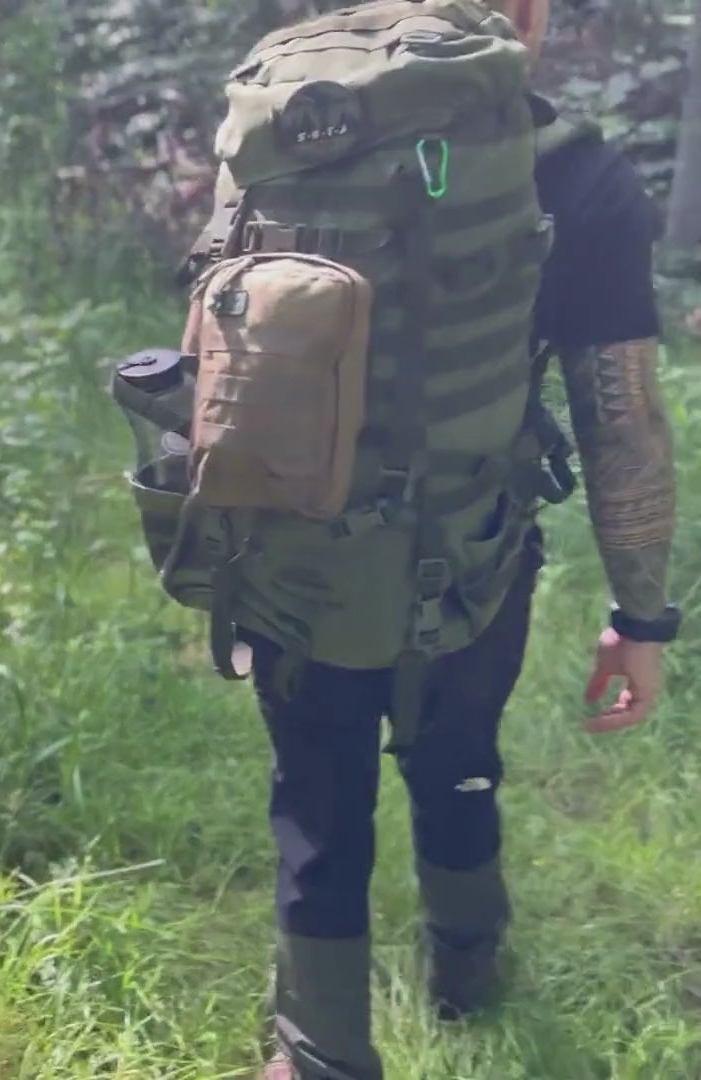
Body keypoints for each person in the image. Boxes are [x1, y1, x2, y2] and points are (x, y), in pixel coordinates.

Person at [242, 0, 681, 1077]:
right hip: (472, 558)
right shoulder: (573, 170)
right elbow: (621, 420)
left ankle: (318, 1055)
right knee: (458, 764)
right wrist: (640, 619)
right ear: (527, 17)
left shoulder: (286, 124)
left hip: (291, 550)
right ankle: (468, 966)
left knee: (316, 801)